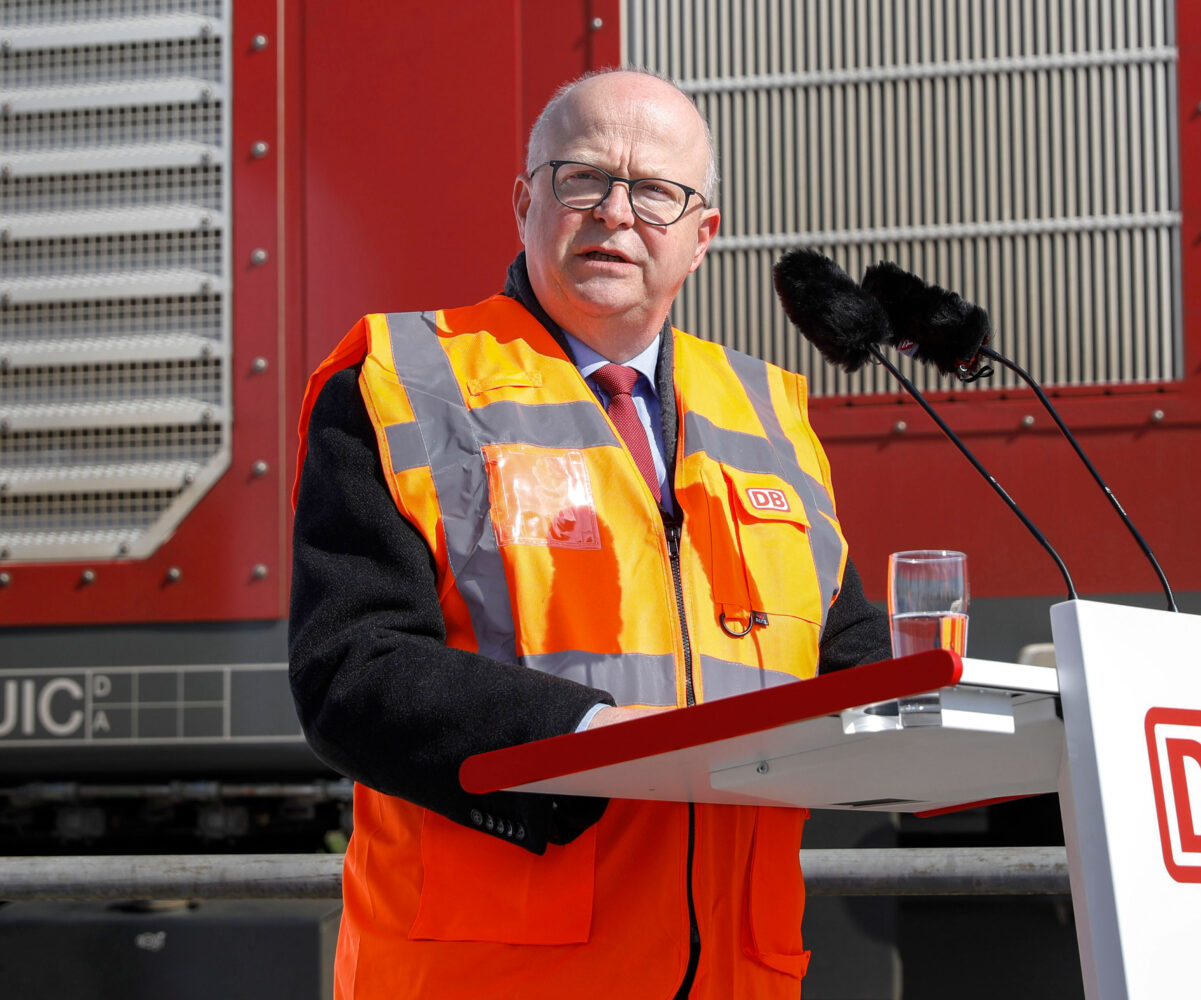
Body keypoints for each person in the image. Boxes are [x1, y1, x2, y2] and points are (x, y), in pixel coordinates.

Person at [290, 68, 891, 999]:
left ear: (702, 237)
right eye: (583, 180)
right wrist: (590, 739)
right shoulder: (401, 383)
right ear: (525, 204)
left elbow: (845, 658)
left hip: (738, 975)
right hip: (494, 978)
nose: (616, 213)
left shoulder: (770, 416)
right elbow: (351, 671)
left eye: (656, 190)